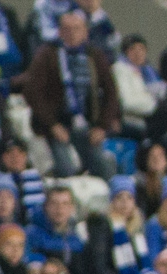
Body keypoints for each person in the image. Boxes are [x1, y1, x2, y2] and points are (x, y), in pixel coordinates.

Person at [17, 9, 121, 181]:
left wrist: (103, 126)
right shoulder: (47, 54)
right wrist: (52, 125)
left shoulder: (95, 55)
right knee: (66, 169)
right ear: (59, 32)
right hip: (57, 126)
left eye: (77, 29)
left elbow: (111, 92)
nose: (72, 34)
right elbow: (32, 92)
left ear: (85, 32)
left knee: (104, 166)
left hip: (88, 125)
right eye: (66, 29)